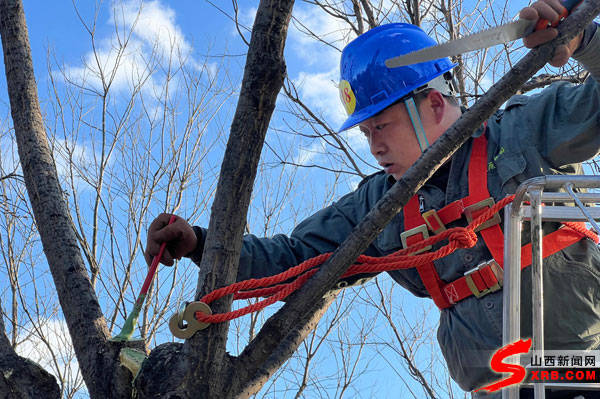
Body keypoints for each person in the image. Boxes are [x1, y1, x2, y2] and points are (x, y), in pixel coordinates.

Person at [145, 1, 600, 397]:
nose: (374, 146)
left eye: (380, 127)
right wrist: (199, 243)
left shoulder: (523, 129)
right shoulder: (380, 206)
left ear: (434, 106)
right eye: (366, 133)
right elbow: (295, 258)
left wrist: (584, 40)